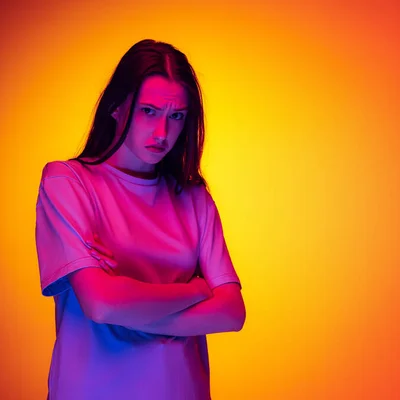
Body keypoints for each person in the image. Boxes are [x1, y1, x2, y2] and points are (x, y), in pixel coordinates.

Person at [35, 39, 246, 400]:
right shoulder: (68, 183)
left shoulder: (194, 198)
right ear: (117, 106)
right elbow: (100, 304)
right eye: (149, 111)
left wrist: (132, 310)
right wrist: (194, 290)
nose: (162, 132)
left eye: (176, 116)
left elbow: (231, 312)